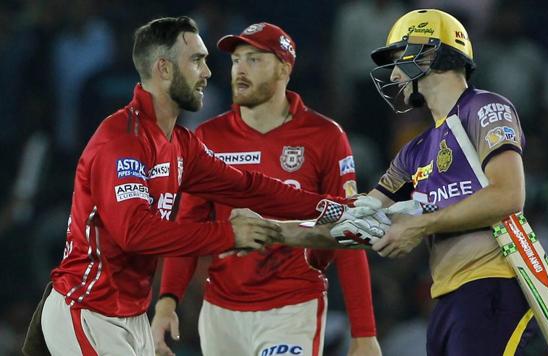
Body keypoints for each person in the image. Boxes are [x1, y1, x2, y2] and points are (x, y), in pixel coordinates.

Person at [29, 16, 355, 356]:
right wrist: (231, 234)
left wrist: (334, 207)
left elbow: (249, 187)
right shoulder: (121, 140)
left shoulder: (180, 144)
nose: (209, 72)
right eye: (197, 60)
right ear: (164, 69)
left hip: (128, 313)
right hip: (88, 310)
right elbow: (134, 231)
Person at [152, 23, 382, 356]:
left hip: (292, 307)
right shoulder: (206, 139)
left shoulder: (324, 137)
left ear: (285, 68)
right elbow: (187, 228)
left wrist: (364, 333)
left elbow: (350, 231)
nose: (240, 69)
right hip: (221, 312)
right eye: (236, 60)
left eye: (255, 60)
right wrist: (166, 303)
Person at [358, 9, 537, 355]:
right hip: (445, 298)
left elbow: (509, 195)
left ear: (427, 53)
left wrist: (421, 224)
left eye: (399, 59)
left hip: (492, 284)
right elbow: (364, 211)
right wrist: (283, 229)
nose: (394, 73)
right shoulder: (413, 149)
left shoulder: (485, 107)